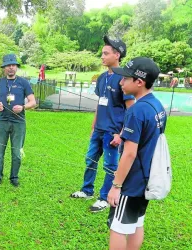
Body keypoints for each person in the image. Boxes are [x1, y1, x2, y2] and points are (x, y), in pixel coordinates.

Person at [107, 57, 166, 250]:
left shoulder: (136, 110)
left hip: (131, 182)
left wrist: (116, 186)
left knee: (117, 227)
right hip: (146, 179)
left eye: (125, 79)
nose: (121, 82)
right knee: (137, 222)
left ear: (139, 82)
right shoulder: (157, 106)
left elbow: (130, 154)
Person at [70, 36, 135, 212]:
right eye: (102, 53)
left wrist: (121, 134)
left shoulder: (124, 78)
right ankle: (87, 190)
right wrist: (93, 126)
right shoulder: (101, 77)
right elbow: (101, 103)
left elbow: (131, 110)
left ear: (117, 55)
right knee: (90, 159)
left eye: (105, 53)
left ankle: (105, 198)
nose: (102, 57)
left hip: (112, 132)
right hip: (99, 129)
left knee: (110, 166)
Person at [0, 54, 36, 187]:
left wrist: (23, 107)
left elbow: (33, 102)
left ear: (16, 67)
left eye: (13, 65)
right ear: (4, 68)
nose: (11, 68)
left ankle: (14, 177)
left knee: (16, 153)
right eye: (8, 65)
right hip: (2, 121)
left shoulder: (23, 82)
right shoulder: (0, 83)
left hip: (18, 122)